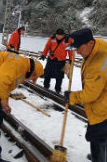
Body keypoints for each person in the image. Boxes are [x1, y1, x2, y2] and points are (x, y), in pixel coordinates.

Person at [65, 28, 107, 162]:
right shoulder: (96, 45)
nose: (77, 52)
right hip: (101, 96)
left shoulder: (98, 61)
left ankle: (99, 158)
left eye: (79, 48)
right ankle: (101, 154)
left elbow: (91, 94)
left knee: (97, 135)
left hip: (103, 105)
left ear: (90, 43)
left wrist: (72, 97)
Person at [39, 28, 72, 93]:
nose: (58, 37)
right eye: (57, 36)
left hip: (61, 61)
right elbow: (47, 46)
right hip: (51, 59)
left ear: (63, 35)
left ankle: (58, 88)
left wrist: (71, 59)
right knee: (47, 73)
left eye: (59, 36)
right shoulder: (52, 37)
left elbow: (70, 51)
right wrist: (43, 54)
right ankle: (46, 85)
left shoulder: (68, 40)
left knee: (59, 76)